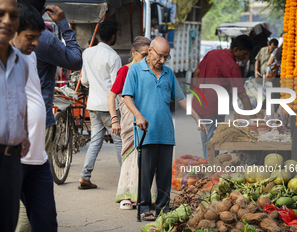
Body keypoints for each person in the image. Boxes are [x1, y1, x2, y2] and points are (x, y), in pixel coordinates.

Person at [122, 37, 204, 220]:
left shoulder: (168, 73)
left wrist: (197, 118)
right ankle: (144, 208)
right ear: (150, 50)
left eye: (166, 57)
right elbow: (127, 96)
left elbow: (181, 99)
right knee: (146, 173)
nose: (162, 60)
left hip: (166, 130)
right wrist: (138, 115)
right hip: (145, 131)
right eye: (160, 56)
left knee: (165, 174)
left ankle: (163, 208)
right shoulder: (135, 70)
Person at [10, 4, 58, 232]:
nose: (36, 43)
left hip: (38, 158)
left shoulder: (29, 53)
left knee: (46, 222)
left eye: (38, 37)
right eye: (30, 37)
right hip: (8, 159)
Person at [0, 0, 30, 232]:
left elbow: (17, 101)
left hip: (12, 163)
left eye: (12, 15)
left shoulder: (20, 63)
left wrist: (22, 134)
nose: (7, 21)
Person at [17, 0, 83, 157]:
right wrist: (64, 26)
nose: (35, 42)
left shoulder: (31, 52)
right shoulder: (45, 40)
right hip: (35, 123)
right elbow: (75, 61)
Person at [108, 36, 157, 209]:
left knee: (148, 157)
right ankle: (126, 196)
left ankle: (146, 195)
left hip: (148, 119)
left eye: (150, 55)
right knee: (130, 157)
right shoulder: (125, 71)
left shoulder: (152, 71)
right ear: (134, 53)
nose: (148, 59)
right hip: (129, 122)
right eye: (144, 55)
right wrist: (115, 120)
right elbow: (112, 96)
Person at [192, 34, 256, 159]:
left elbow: (197, 72)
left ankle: (209, 165)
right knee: (214, 140)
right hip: (214, 107)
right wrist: (253, 118)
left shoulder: (212, 53)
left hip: (199, 104)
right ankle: (211, 169)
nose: (246, 57)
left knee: (207, 138)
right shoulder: (233, 66)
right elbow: (242, 94)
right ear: (236, 49)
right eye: (245, 53)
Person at [79, 20, 123, 189]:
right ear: (113, 36)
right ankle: (126, 180)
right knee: (120, 142)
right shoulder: (113, 57)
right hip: (109, 108)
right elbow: (116, 88)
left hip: (93, 105)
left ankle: (85, 176)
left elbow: (84, 81)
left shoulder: (87, 53)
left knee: (95, 141)